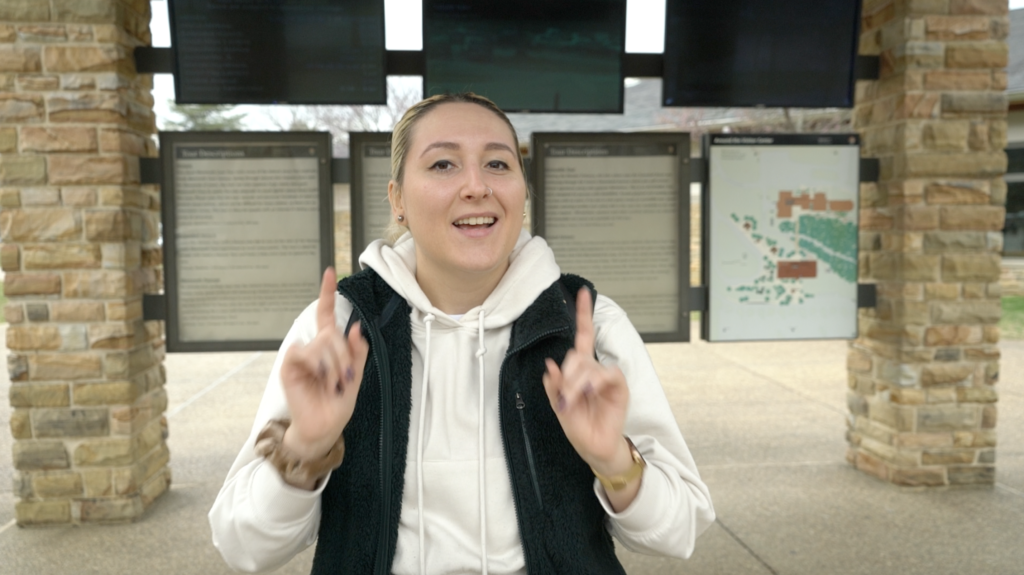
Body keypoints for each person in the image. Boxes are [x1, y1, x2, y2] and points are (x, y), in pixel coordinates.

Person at [208, 93, 714, 575]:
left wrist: (613, 460)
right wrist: (305, 445)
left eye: (498, 163)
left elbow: (679, 529)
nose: (478, 185)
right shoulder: (340, 330)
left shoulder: (585, 325)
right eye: (443, 164)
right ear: (398, 199)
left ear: (522, 190)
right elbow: (243, 544)